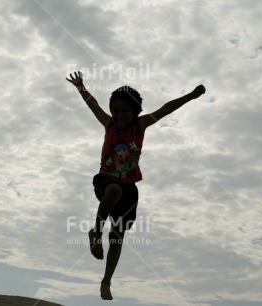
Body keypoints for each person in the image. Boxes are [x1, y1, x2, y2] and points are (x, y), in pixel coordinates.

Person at [66, 71, 206, 300]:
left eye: (125, 111)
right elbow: (93, 105)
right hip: (106, 180)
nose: (119, 115)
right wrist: (81, 87)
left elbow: (166, 109)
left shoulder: (140, 125)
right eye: (116, 110)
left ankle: (106, 280)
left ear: (134, 112)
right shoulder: (109, 124)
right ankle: (95, 232)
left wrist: (191, 95)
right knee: (113, 190)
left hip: (130, 187)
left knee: (118, 236)